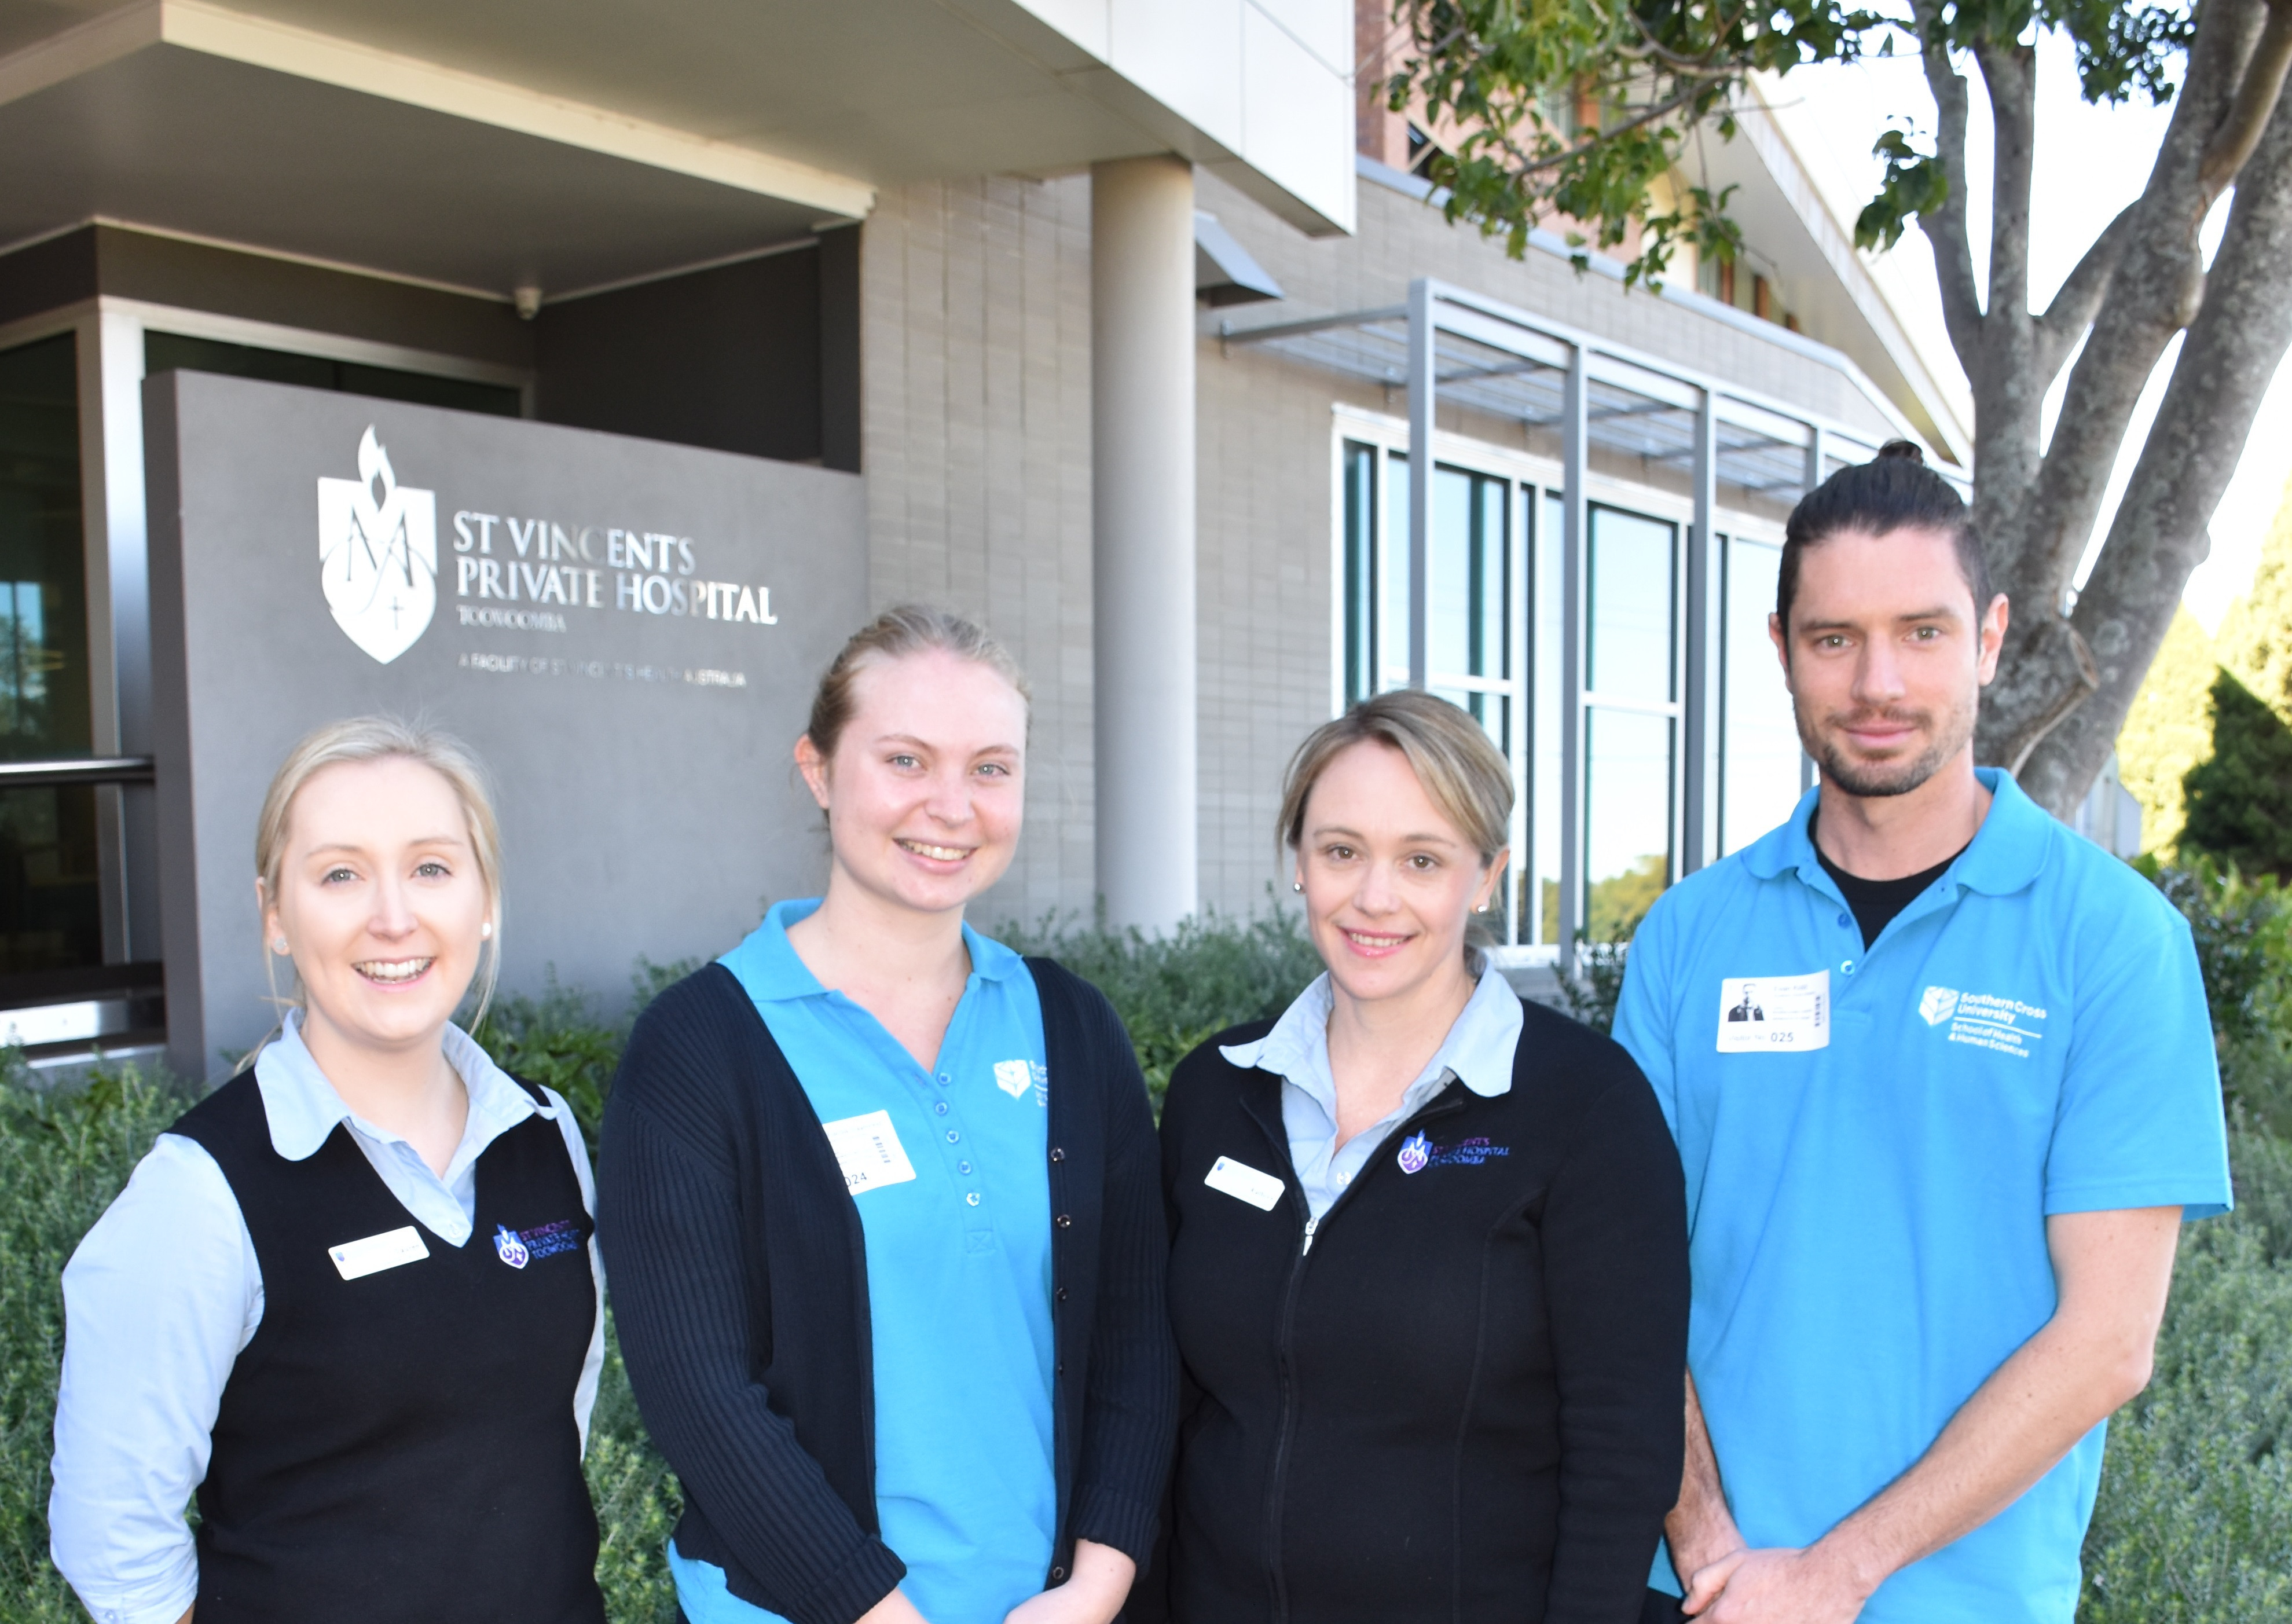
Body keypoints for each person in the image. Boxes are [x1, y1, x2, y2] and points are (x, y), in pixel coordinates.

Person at [1614, 442, 2232, 1624]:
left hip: (1966, 1599)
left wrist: (1834, 1572)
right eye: (1834, 637)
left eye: (1924, 631)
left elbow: (2108, 1340)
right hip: (1699, 1592)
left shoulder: (2111, 941)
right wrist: (1708, 1544)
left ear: (1991, 638)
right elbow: (1618, 1277)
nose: (1877, 681)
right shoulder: (1689, 936)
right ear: (1782, 648)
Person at [598, 606, 1175, 1624]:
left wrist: (1099, 1581)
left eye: (991, 768)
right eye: (906, 759)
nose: (950, 805)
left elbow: (1137, 1333)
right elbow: (699, 1389)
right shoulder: (699, 1049)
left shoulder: (1074, 1031)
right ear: (818, 770)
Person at [1147, 690, 1689, 1624]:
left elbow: (1624, 1456)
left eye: (1422, 859)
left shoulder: (1586, 1108)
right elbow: (1168, 1407)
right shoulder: (1215, 1094)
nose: (1375, 897)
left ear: (1487, 876)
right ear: (1300, 863)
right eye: (1342, 850)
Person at [50, 717, 607, 1624]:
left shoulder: (547, 1135)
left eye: (431, 866)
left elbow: (553, 1429)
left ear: (485, 899)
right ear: (275, 911)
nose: (394, 916)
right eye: (341, 873)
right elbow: (112, 1541)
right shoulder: (201, 1191)